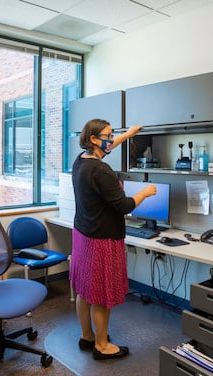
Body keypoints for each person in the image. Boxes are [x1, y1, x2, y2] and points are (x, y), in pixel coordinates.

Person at [70, 118, 157, 360]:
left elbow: (107, 148)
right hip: (102, 240)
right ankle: (102, 346)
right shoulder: (101, 170)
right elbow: (124, 206)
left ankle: (87, 337)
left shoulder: (81, 161)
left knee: (85, 290)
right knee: (100, 294)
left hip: (83, 234)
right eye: (108, 135)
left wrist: (128, 134)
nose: (112, 138)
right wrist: (145, 192)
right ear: (94, 139)